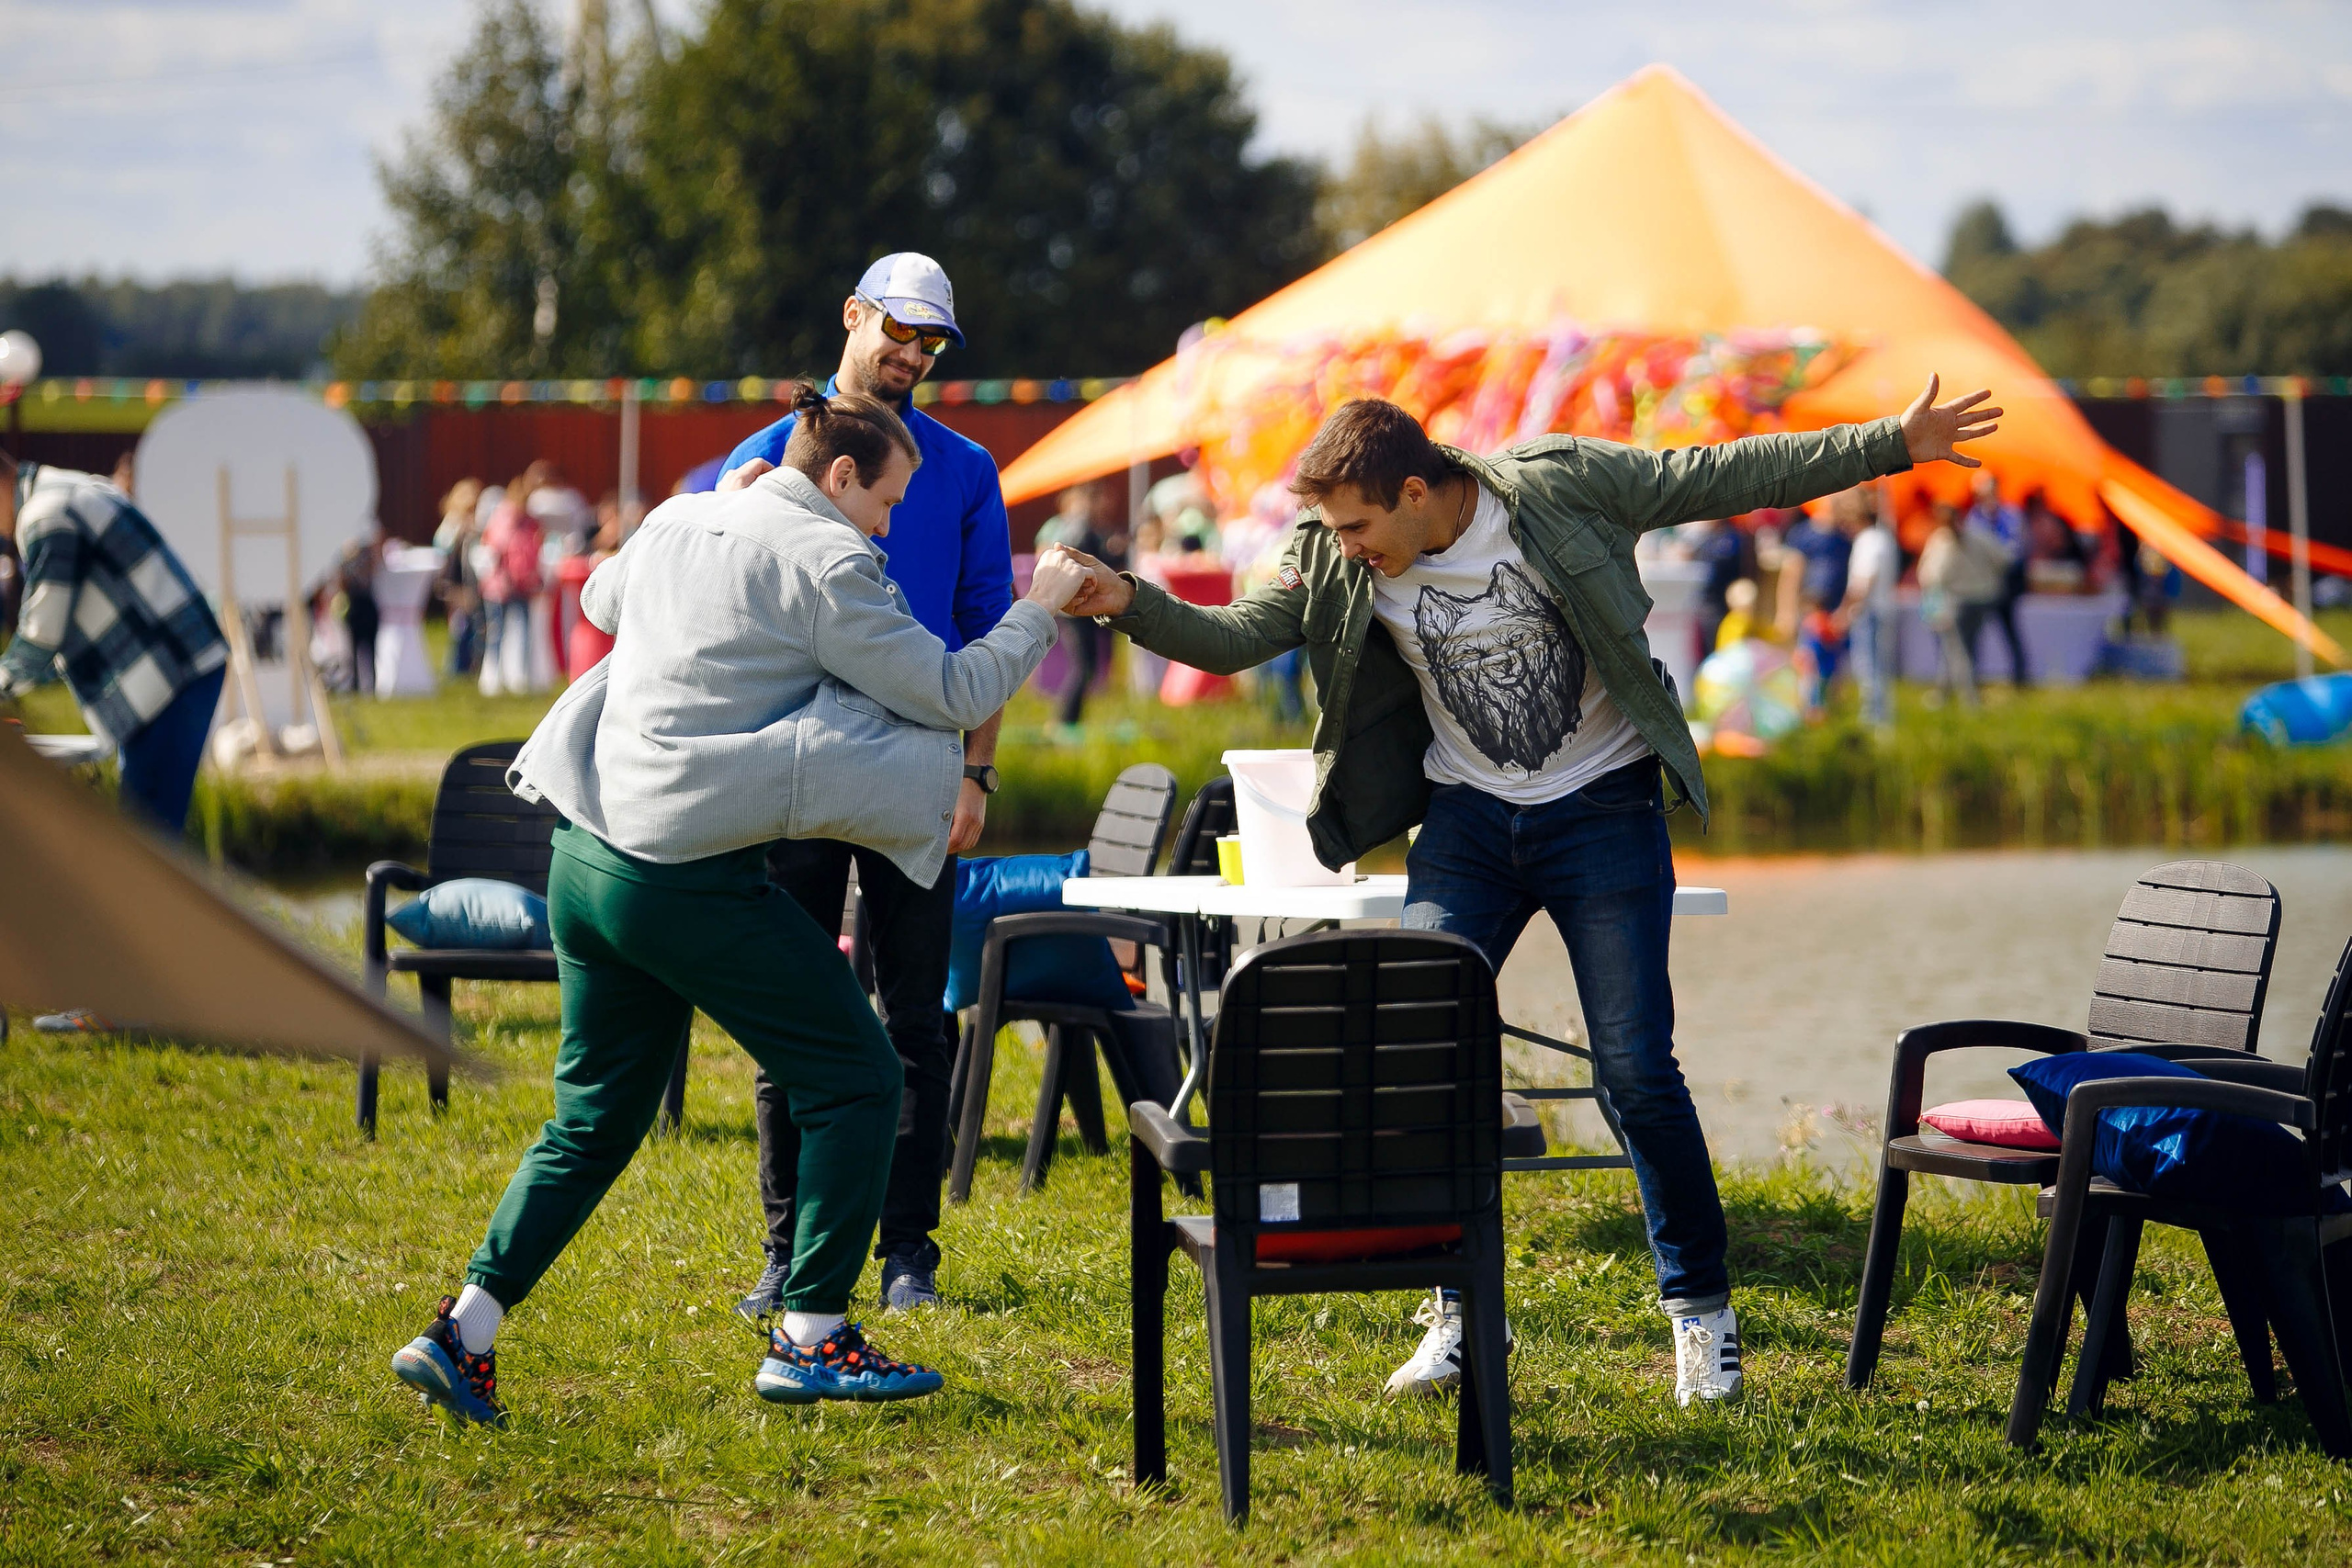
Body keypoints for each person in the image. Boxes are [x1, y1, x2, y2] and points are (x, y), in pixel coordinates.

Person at [1057, 374, 1999, 1406]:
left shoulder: (1557, 488)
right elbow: (1237, 635)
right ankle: (1461, 1317)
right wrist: (1130, 603)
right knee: (1419, 1053)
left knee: (1635, 1072)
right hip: (1464, 826)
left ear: (1417, 491)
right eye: (1336, 527)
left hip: (1602, 812)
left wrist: (1891, 443)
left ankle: (1702, 1319)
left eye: (1361, 524)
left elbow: (1724, 474)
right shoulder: (1338, 554)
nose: (1348, 544)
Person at [390, 385, 1092, 1427]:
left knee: (591, 1122)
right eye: (887, 502)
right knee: (857, 1075)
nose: (891, 527)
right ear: (840, 475)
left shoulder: (690, 510)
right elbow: (946, 693)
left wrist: (720, 505)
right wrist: (1042, 607)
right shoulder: (830, 562)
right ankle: (813, 1336)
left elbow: (599, 604)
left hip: (585, 852)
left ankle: (461, 1332)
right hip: (681, 877)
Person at [716, 254, 1014, 1318]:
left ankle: (907, 1255)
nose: (911, 355)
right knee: (788, 1009)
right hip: (790, 772)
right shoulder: (759, 456)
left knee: (914, 1021)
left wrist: (976, 770)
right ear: (852, 315)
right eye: (899, 330)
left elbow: (987, 627)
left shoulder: (966, 467)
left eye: (931, 342)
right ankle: (789, 1249)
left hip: (921, 773)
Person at [0, 448, 230, 1033]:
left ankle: (130, 1008)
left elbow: (41, 630)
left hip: (171, 676)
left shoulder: (46, 515)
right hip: (174, 671)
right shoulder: (61, 490)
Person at [1036, 483, 1112, 732]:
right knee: (1084, 666)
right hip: (1075, 605)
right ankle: (1064, 722)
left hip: (1068, 602)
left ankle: (1066, 721)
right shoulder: (1079, 527)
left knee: (1084, 665)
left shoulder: (1072, 526)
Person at [1916, 500, 2003, 706]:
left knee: (1958, 652)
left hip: (1954, 601)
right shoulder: (1980, 534)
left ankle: (1970, 700)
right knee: (1962, 649)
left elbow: (1932, 576)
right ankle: (1943, 694)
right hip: (1982, 598)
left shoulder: (1942, 541)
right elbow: (2003, 559)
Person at [479, 467, 548, 696]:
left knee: (523, 632)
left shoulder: (530, 523)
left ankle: (519, 676)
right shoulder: (504, 519)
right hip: (501, 585)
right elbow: (497, 549)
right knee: (497, 632)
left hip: (523, 584)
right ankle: (492, 679)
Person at [1836, 491, 1900, 730]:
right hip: (1879, 610)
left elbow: (1863, 582)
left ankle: (1875, 722)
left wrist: (1843, 612)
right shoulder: (1882, 538)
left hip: (1870, 613)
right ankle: (1878, 720)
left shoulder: (1869, 541)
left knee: (1870, 670)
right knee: (1876, 669)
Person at [1964, 470, 2029, 685]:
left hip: (2005, 581)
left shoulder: (2011, 515)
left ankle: (2020, 677)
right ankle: (1974, 677)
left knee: (2009, 630)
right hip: (1982, 581)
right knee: (1976, 632)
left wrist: (1996, 558)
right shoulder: (1975, 516)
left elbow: (2015, 549)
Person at [435, 479, 486, 677]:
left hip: (466, 584)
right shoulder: (451, 527)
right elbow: (447, 559)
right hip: (455, 584)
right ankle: (457, 668)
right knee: (460, 627)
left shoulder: (468, 527)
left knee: (470, 626)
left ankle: (467, 667)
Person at [337, 535, 381, 695]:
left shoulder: (368, 555)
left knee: (370, 649)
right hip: (355, 606)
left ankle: (372, 686)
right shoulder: (344, 558)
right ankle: (355, 685)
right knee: (353, 651)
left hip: (366, 605)